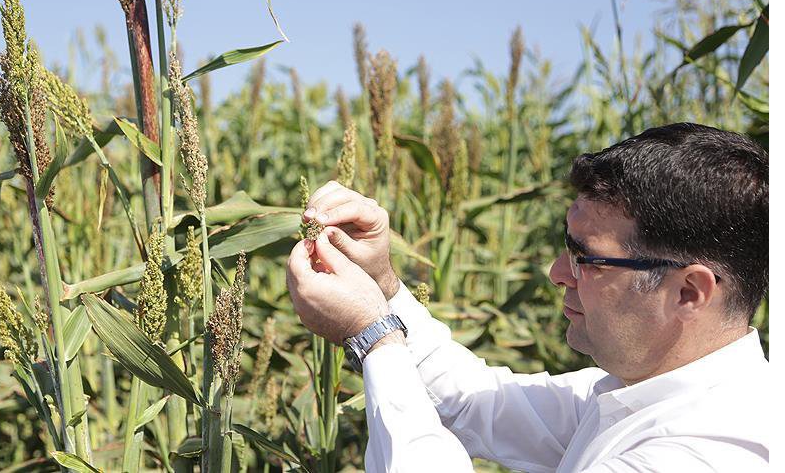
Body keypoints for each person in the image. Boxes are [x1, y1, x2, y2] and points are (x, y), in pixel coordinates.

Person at [286, 123, 769, 472]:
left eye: (587, 259)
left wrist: (374, 337)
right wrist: (384, 285)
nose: (558, 273)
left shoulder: (707, 453)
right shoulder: (633, 391)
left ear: (687, 292)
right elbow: (475, 402)